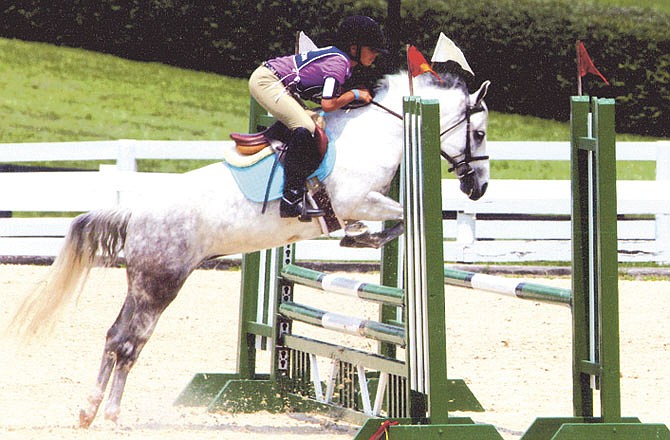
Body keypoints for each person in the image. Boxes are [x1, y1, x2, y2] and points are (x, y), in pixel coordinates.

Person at [248, 15, 387, 220]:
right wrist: (355, 94)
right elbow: (328, 104)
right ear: (354, 47)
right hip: (267, 82)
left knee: (318, 123)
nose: (375, 54)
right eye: (372, 48)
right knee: (306, 127)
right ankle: (291, 199)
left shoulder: (341, 60)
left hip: (278, 83)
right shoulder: (338, 65)